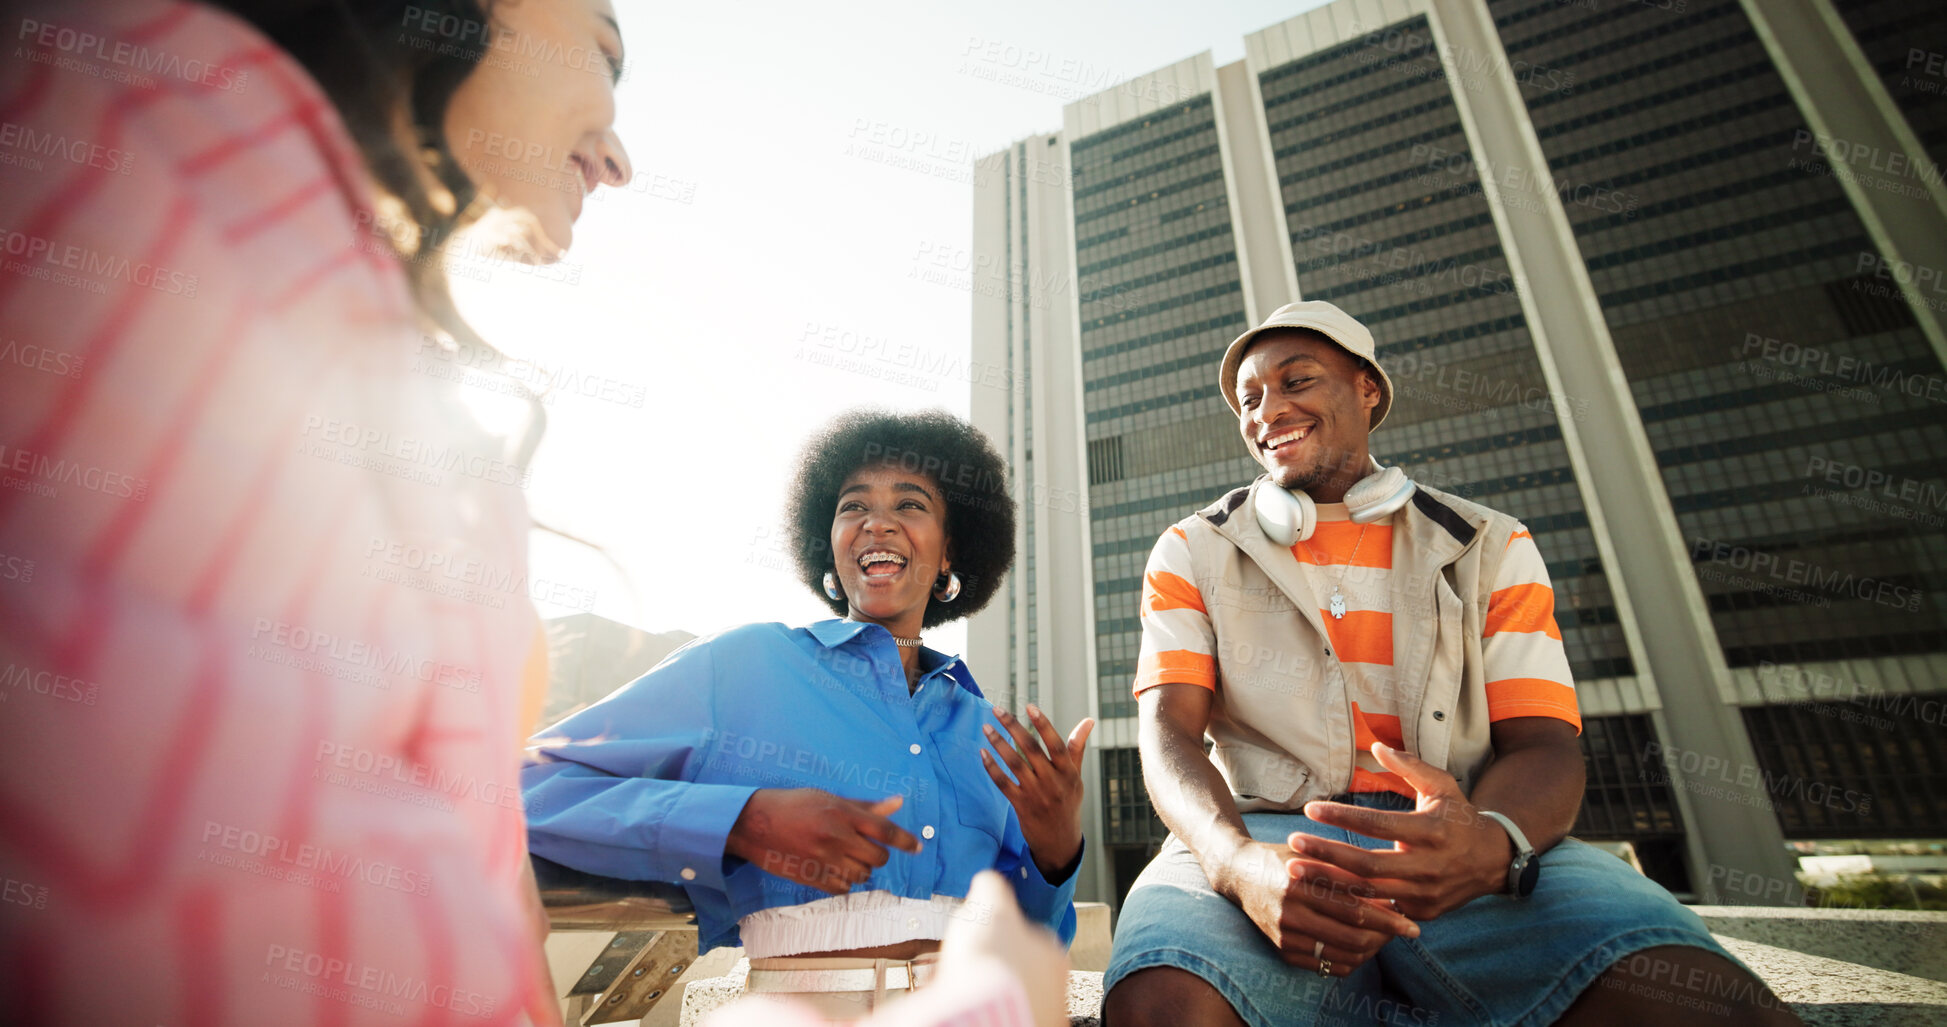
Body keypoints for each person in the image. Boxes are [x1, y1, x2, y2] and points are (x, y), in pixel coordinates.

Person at [0, 0, 631, 1023]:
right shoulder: (147, 119)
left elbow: (487, 882)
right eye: (607, 52)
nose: (618, 156)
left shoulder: (340, 301)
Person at [1100, 301, 1801, 1027]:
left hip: (1462, 827)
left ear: (1367, 388)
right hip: (1265, 831)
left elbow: (1544, 743)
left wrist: (1492, 841)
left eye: (1296, 381)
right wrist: (1233, 862)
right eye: (1249, 399)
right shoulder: (1192, 548)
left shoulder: (1491, 544)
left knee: (1714, 1004)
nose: (1267, 410)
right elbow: (1168, 732)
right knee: (1162, 1002)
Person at [522, 408, 1094, 1020]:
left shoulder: (985, 730)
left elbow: (1033, 944)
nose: (878, 522)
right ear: (830, 544)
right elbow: (528, 785)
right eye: (853, 506)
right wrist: (743, 820)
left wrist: (1055, 849)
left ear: (950, 552)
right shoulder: (743, 664)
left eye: (910, 505)